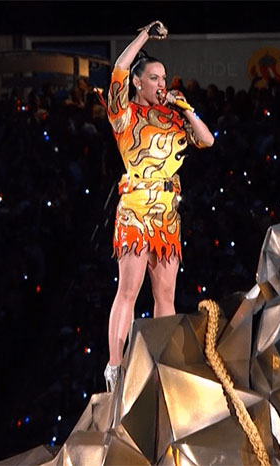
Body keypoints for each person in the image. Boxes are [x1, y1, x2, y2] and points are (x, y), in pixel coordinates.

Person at [103, 20, 214, 392]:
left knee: (165, 294)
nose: (162, 83)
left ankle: (164, 364)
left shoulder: (172, 116)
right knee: (129, 289)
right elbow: (119, 68)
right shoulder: (124, 115)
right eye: (154, 78)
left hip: (167, 213)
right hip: (136, 208)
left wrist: (185, 107)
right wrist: (144, 36)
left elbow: (207, 140)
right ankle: (115, 366)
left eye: (164, 77)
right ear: (138, 82)